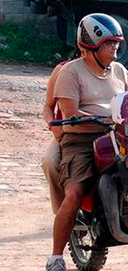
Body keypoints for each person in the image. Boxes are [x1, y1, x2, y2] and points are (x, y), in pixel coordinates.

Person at [47, 13, 128, 271]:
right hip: (82, 141)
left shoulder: (120, 71)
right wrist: (105, 119)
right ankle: (56, 258)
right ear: (91, 46)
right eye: (109, 43)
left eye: (116, 42)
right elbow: (70, 112)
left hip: (118, 137)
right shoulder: (71, 71)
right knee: (74, 193)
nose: (115, 47)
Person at [41, 49, 82, 215]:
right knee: (50, 162)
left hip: (101, 129)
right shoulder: (62, 70)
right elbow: (48, 107)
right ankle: (63, 214)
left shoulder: (112, 71)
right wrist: (54, 126)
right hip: (67, 132)